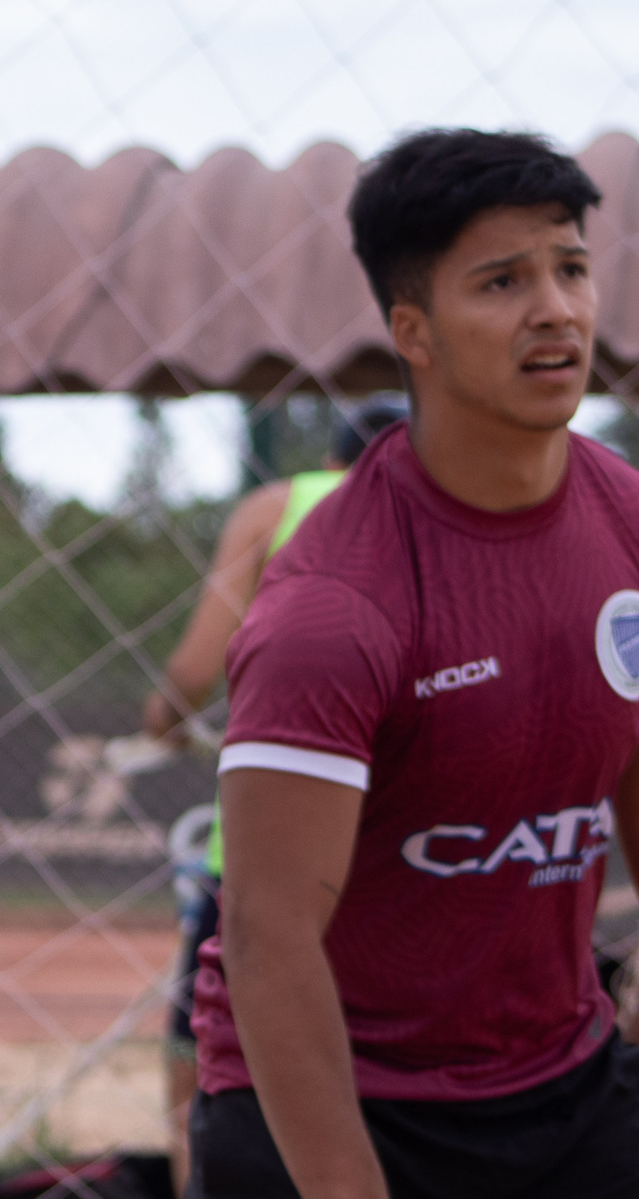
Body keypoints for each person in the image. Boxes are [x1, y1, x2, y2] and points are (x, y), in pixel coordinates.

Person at [190, 129, 639, 1199]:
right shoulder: (334, 608)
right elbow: (269, 944)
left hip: (562, 1084)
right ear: (415, 333)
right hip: (332, 1102)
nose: (555, 309)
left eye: (570, 268)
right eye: (501, 281)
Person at [141, 396, 406, 1194]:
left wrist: (165, 719)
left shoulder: (280, 505)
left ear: (332, 463)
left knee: (204, 1065)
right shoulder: (458, 511)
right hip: (415, 852)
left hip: (277, 851)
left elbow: (194, 671)